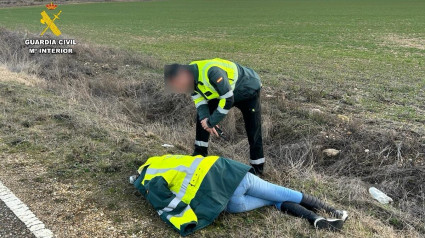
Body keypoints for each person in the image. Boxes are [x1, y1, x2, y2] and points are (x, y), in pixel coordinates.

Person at [131, 154, 348, 236]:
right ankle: (333, 211)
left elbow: (161, 200)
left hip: (228, 203)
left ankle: (315, 219)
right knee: (282, 193)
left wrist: (186, 219)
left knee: (274, 201)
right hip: (233, 177)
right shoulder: (165, 160)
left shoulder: (147, 181)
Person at [164, 58, 265, 174]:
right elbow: (199, 101)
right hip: (225, 92)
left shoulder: (211, 72)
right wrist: (206, 119)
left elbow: (228, 99)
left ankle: (257, 169)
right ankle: (199, 154)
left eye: (178, 86)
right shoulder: (190, 77)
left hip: (247, 89)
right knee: (202, 118)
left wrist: (212, 122)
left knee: (253, 129)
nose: (180, 90)